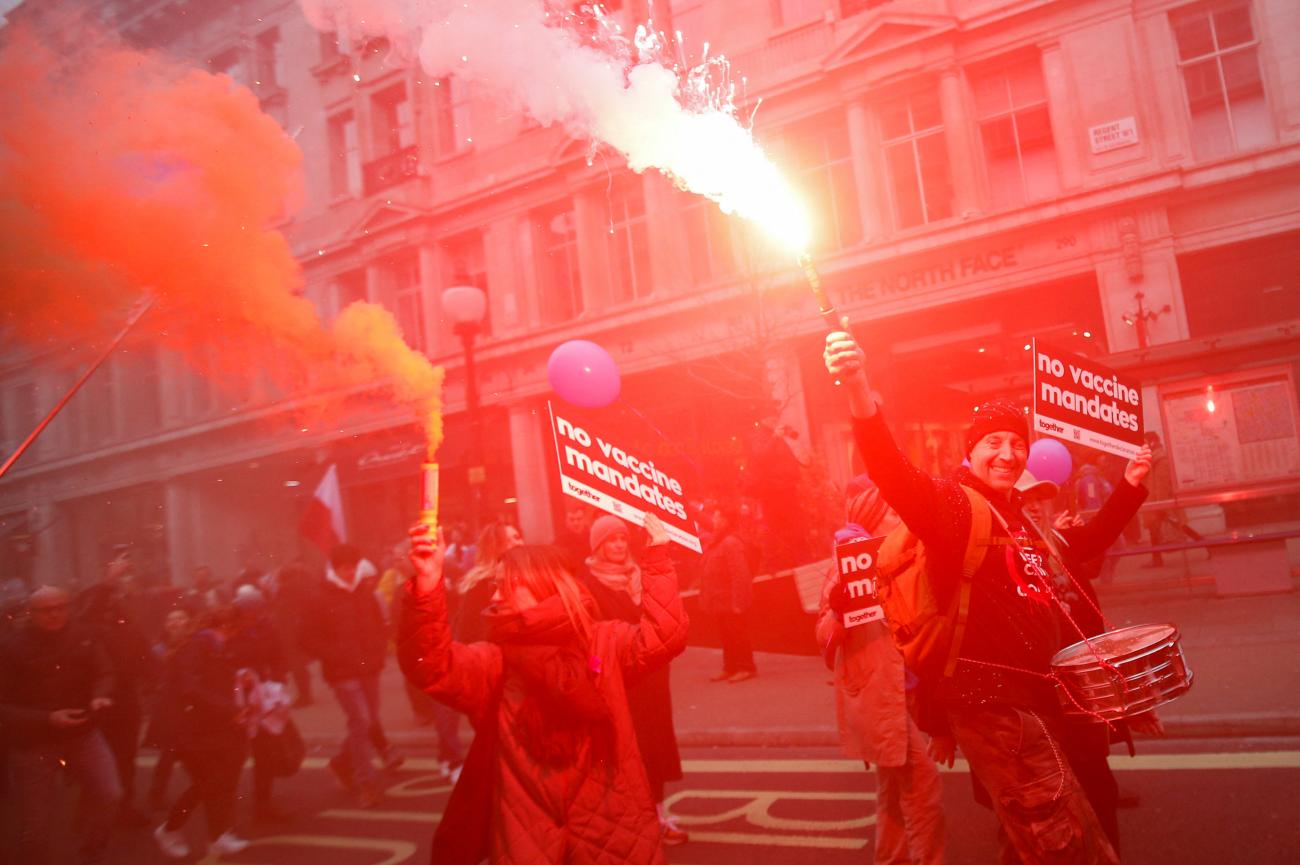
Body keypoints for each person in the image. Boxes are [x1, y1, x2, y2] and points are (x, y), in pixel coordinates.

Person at [824, 325, 1119, 865]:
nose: (1008, 454)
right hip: (996, 709)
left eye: (1017, 444)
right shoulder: (958, 507)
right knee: (1067, 848)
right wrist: (858, 388)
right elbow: (894, 474)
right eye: (994, 443)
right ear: (971, 450)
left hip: (1034, 703)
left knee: (1028, 839)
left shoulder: (1016, 514)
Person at [399, 513, 689, 865]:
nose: (494, 594)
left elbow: (664, 637)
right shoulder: (496, 661)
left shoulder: (602, 642)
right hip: (532, 843)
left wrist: (657, 556)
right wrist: (428, 584)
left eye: (504, 584)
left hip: (613, 836)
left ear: (540, 585)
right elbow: (432, 667)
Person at [1016, 463, 1162, 855]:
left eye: (1036, 499)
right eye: (1021, 499)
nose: (1032, 506)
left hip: (1084, 695)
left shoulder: (1058, 543)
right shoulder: (1000, 560)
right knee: (1047, 811)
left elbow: (1100, 534)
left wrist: (1129, 482)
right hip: (1040, 707)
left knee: (1098, 789)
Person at [816, 481, 945, 865]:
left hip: (905, 691)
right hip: (878, 693)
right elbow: (822, 638)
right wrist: (838, 611)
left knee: (891, 791)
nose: (898, 518)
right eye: (890, 512)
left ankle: (889, 859)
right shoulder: (845, 565)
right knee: (924, 790)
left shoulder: (903, 555)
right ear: (871, 518)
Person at [582, 514, 688, 846]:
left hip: (652, 676)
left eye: (622, 539)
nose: (617, 545)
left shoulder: (641, 576)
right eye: (610, 540)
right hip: (618, 681)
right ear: (598, 546)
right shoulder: (587, 584)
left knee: (654, 747)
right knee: (625, 752)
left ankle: (656, 815)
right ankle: (631, 821)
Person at [0, 586, 122, 865]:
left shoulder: (84, 634)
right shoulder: (10, 646)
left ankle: (92, 853)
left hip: (81, 732)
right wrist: (46, 718)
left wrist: (101, 694)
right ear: (31, 614)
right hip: (33, 744)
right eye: (47, 610)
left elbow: (105, 671)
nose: (55, 614)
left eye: (61, 607)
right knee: (37, 825)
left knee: (110, 793)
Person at [300, 543, 401, 807]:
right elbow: (307, 637)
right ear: (334, 568)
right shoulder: (319, 596)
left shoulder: (363, 592)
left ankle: (341, 764)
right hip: (342, 672)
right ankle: (366, 783)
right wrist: (334, 655)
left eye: (354, 568)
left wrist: (378, 652)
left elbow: (379, 624)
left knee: (366, 723)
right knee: (361, 721)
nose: (350, 573)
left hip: (368, 668)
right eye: (346, 568)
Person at [152, 605, 251, 859]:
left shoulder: (215, 645)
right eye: (234, 630)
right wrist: (230, 709)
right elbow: (191, 688)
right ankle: (169, 829)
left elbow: (215, 683)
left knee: (216, 782)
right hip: (187, 729)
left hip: (209, 726)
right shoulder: (197, 646)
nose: (235, 635)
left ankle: (218, 836)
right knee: (207, 783)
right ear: (226, 626)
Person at [76, 545, 153, 827]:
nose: (125, 582)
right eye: (122, 574)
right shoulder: (92, 605)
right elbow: (86, 614)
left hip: (127, 695)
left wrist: (153, 679)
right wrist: (109, 582)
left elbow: (142, 648)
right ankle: (92, 811)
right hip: (102, 696)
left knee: (126, 755)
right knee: (101, 758)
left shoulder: (130, 610)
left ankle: (124, 808)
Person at [229, 585, 293, 823]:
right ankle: (223, 804)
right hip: (237, 701)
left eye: (256, 610)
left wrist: (276, 682)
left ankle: (262, 804)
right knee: (233, 756)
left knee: (264, 754)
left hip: (263, 700)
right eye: (248, 611)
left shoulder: (266, 627)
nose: (253, 615)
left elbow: (279, 656)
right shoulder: (230, 630)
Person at [700, 504, 757, 683]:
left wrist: (739, 602)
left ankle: (745, 667)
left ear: (725, 521)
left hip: (731, 601)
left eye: (717, 517)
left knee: (738, 635)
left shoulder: (730, 542)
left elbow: (740, 574)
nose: (714, 521)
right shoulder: (717, 542)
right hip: (720, 601)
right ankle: (730, 667)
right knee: (727, 636)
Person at [145, 608, 194, 812]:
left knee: (186, 751)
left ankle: (203, 787)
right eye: (171, 619)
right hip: (170, 708)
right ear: (165, 625)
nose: (175, 622)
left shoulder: (194, 646)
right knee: (172, 751)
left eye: (181, 618)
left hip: (190, 706)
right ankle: (156, 793)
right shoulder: (158, 650)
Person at [1140, 432, 1202, 567]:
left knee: (1178, 527)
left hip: (1159, 503)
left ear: (1152, 443)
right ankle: (1157, 559)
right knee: (1156, 530)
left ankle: (1205, 543)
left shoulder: (1160, 460)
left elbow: (1162, 485)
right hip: (1154, 502)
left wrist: (1161, 506)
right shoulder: (1154, 460)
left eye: (1145, 443)